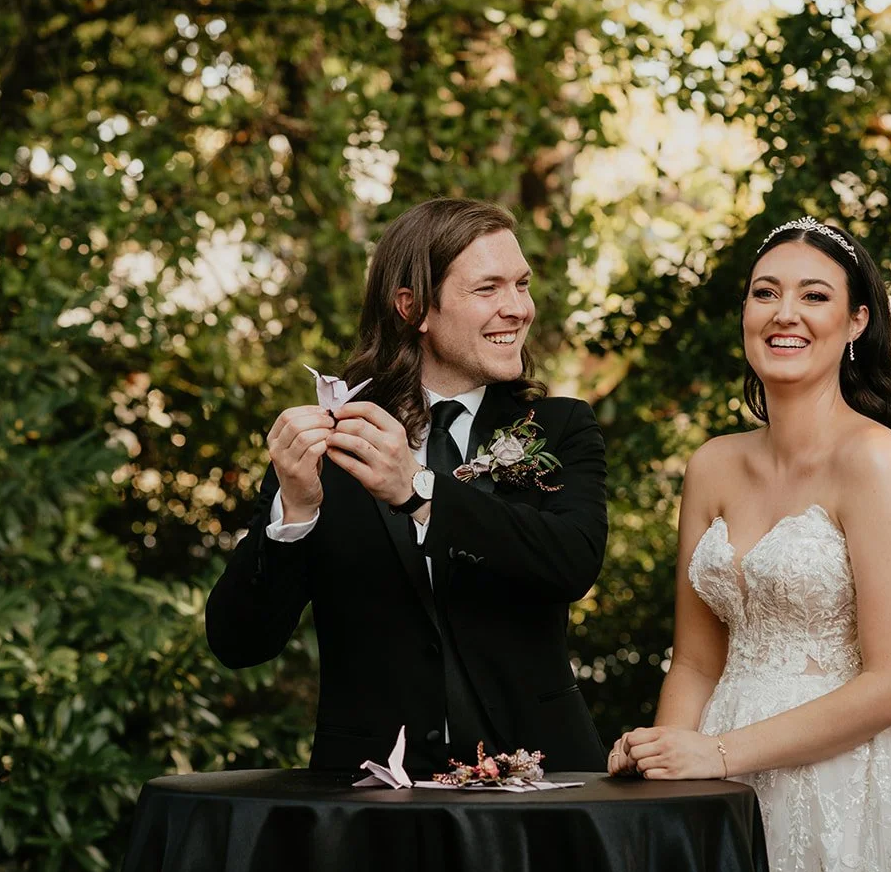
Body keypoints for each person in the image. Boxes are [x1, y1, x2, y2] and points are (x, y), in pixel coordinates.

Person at [609, 218, 891, 872]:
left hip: (841, 785)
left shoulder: (876, 461)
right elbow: (696, 664)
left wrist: (718, 750)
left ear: (856, 320)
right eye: (765, 293)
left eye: (814, 296)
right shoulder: (712, 463)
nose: (784, 313)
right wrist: (667, 779)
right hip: (722, 789)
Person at [207, 197, 608, 774]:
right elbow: (238, 643)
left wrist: (420, 492)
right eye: (488, 288)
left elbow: (573, 563)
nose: (518, 308)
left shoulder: (561, 426)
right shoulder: (333, 441)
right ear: (414, 307)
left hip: (538, 786)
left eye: (522, 285)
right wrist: (294, 514)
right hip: (369, 801)